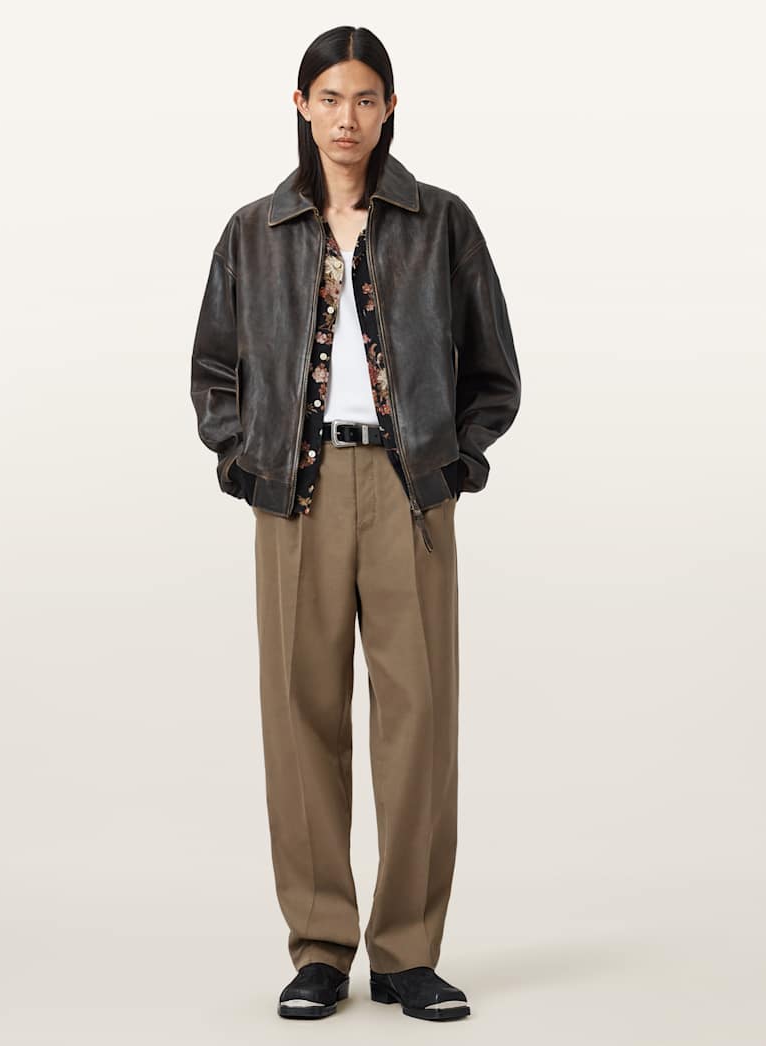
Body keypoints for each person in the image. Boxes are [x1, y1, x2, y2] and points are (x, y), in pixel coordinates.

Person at [190, 25, 521, 1022]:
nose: (347, 118)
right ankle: (321, 947)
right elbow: (213, 368)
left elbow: (492, 370)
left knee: (419, 718)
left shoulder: (440, 222)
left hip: (409, 489)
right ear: (301, 106)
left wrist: (456, 461)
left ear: (389, 109)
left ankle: (409, 950)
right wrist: (240, 460)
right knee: (300, 715)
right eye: (330, 98)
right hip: (293, 492)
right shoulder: (254, 231)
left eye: (365, 98)